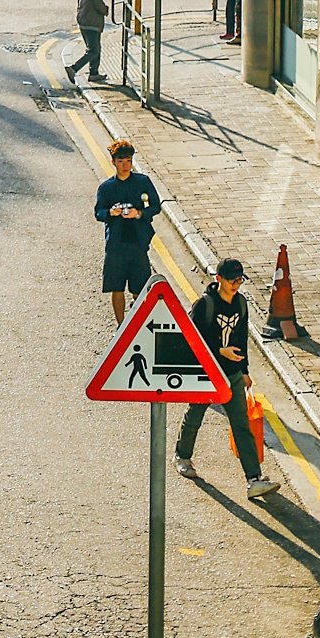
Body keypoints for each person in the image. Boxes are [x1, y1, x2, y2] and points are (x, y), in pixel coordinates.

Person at [174, 258, 277, 499]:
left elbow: (241, 338)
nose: (236, 285)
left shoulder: (241, 303)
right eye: (232, 280)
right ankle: (182, 455)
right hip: (207, 373)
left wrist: (245, 371)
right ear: (218, 279)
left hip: (231, 374)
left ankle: (253, 479)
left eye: (240, 280)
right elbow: (192, 338)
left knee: (241, 425)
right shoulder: (205, 305)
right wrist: (220, 351)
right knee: (195, 415)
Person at [95, 139, 161, 325]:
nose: (125, 165)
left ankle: (137, 324)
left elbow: (155, 206)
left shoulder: (142, 182)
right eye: (121, 161)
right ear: (113, 162)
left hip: (138, 243)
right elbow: (98, 213)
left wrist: (139, 213)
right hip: (116, 246)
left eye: (128, 161)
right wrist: (110, 212)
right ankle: (121, 326)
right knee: (116, 288)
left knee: (140, 288)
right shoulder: (106, 188)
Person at [66, 0, 108, 85]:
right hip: (92, 22)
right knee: (93, 50)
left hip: (84, 22)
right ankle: (74, 68)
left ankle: (94, 73)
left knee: (95, 48)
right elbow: (99, 6)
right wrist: (105, 10)